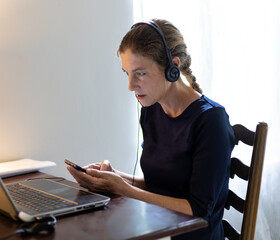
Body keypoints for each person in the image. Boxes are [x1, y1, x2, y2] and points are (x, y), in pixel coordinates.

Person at [67, 19, 235, 240]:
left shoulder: (211, 121)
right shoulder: (151, 110)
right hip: (159, 231)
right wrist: (113, 177)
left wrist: (122, 188)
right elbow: (163, 184)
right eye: (126, 73)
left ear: (172, 68)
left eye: (141, 73)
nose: (130, 85)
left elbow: (199, 210)